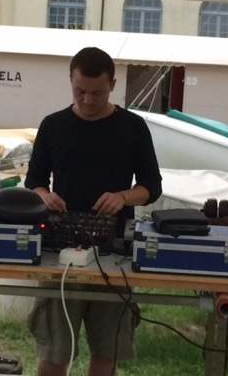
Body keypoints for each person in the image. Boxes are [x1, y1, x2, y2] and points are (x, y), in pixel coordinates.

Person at [24, 46, 163, 376]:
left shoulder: (132, 127)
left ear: (113, 85)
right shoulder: (53, 125)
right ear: (70, 82)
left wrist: (123, 197)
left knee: (106, 350)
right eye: (79, 91)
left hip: (113, 254)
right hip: (60, 253)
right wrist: (44, 197)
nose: (87, 100)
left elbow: (151, 186)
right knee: (54, 352)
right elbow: (34, 181)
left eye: (97, 93)